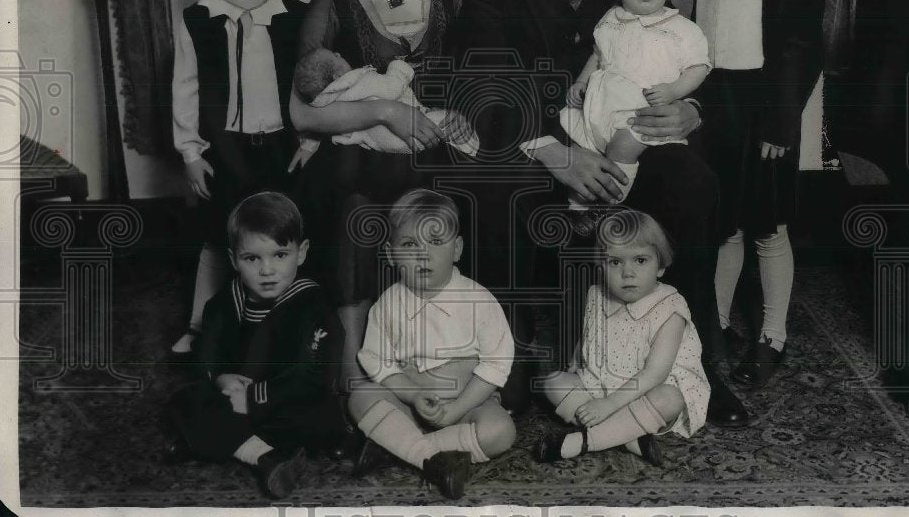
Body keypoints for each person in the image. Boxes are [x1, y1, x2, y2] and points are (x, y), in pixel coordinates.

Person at [443, 0, 749, 427]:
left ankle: (698, 362)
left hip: (631, 136)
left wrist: (691, 108)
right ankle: (513, 365)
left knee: (695, 183)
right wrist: (557, 152)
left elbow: (681, 42)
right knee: (493, 191)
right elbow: (482, 75)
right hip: (538, 145)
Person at [290, 0, 474, 400]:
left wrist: (462, 108)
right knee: (355, 205)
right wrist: (385, 111)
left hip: (437, 151)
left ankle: (443, 359)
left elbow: (479, 71)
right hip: (364, 161)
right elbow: (302, 113)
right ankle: (353, 372)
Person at [693, 0, 824, 389]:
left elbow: (801, 47)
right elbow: (696, 42)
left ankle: (773, 334)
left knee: (766, 225)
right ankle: (717, 327)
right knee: (724, 225)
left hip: (765, 106)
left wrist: (780, 120)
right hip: (715, 104)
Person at [170, 0, 310, 358]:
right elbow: (186, 88)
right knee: (220, 237)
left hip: (281, 146)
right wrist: (190, 153)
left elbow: (312, 83)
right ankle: (201, 325)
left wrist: (310, 138)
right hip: (223, 150)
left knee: (277, 236)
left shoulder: (294, 14)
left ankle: (287, 327)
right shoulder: (197, 19)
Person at [165, 192, 346, 499]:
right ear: (234, 259)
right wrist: (220, 377)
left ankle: (229, 442)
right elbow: (208, 353)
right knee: (184, 400)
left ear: (301, 253)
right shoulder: (223, 303)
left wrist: (252, 398)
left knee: (323, 414)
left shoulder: (312, 304)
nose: (267, 270)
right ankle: (267, 458)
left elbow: (313, 375)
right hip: (236, 402)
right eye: (252, 258)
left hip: (285, 403)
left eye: (279, 255)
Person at [347, 189, 516, 499]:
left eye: (435, 242)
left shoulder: (477, 299)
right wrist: (413, 395)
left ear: (457, 249)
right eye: (410, 244)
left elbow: (497, 362)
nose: (422, 254)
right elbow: (377, 360)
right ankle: (433, 456)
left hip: (467, 405)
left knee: (501, 432)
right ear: (390, 253)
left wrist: (457, 410)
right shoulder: (387, 305)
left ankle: (404, 449)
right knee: (360, 397)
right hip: (410, 406)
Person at [536, 209, 709, 463]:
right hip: (601, 384)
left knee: (670, 398)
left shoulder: (670, 309)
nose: (627, 273)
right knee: (551, 381)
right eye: (615, 262)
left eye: (640, 261)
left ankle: (586, 441)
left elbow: (654, 374)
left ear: (660, 266)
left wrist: (609, 404)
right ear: (601, 265)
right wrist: (577, 359)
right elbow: (590, 332)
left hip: (646, 392)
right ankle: (628, 435)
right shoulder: (597, 294)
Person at [561, 0, 710, 231]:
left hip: (639, 113)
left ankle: (607, 204)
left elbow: (698, 68)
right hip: (600, 107)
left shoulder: (682, 30)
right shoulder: (610, 20)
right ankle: (578, 204)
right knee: (578, 145)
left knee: (623, 146)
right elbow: (598, 55)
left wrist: (673, 91)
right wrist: (580, 83)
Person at [292, 49, 478, 155]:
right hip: (408, 134)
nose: (340, 53)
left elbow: (316, 128)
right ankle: (471, 147)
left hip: (378, 144)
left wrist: (308, 145)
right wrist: (399, 66)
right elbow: (392, 88)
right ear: (337, 75)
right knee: (448, 122)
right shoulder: (360, 81)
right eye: (335, 56)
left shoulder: (327, 100)